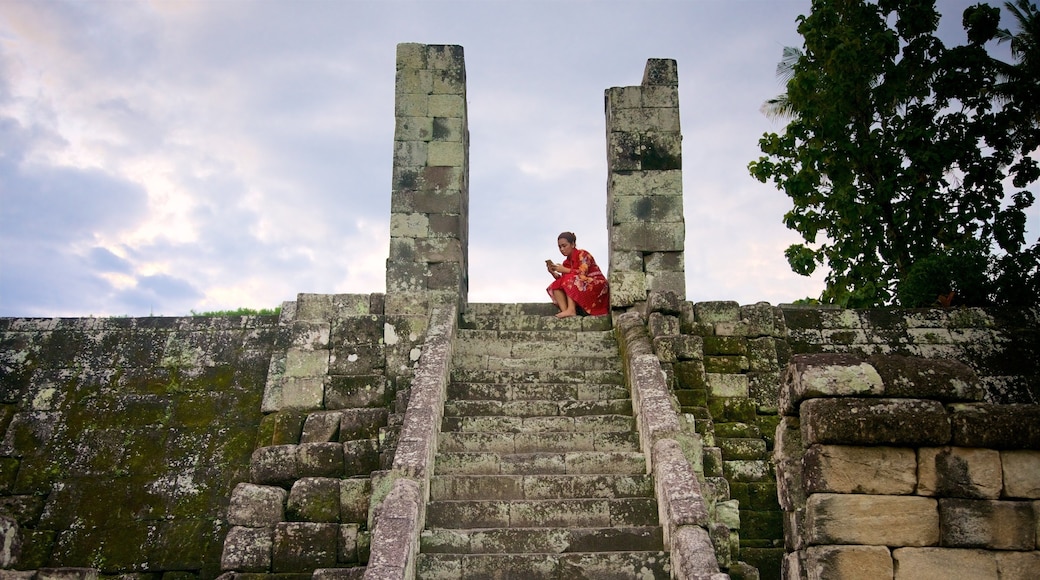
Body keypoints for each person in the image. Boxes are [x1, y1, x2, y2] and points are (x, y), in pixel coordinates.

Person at [546, 231, 610, 318]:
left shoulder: (583, 254)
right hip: (581, 283)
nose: (561, 249)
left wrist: (564, 270)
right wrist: (554, 274)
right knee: (556, 285)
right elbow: (564, 281)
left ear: (572, 244)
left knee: (570, 279)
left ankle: (571, 310)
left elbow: (582, 274)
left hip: (596, 285)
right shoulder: (566, 262)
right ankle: (566, 311)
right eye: (559, 247)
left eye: (564, 246)